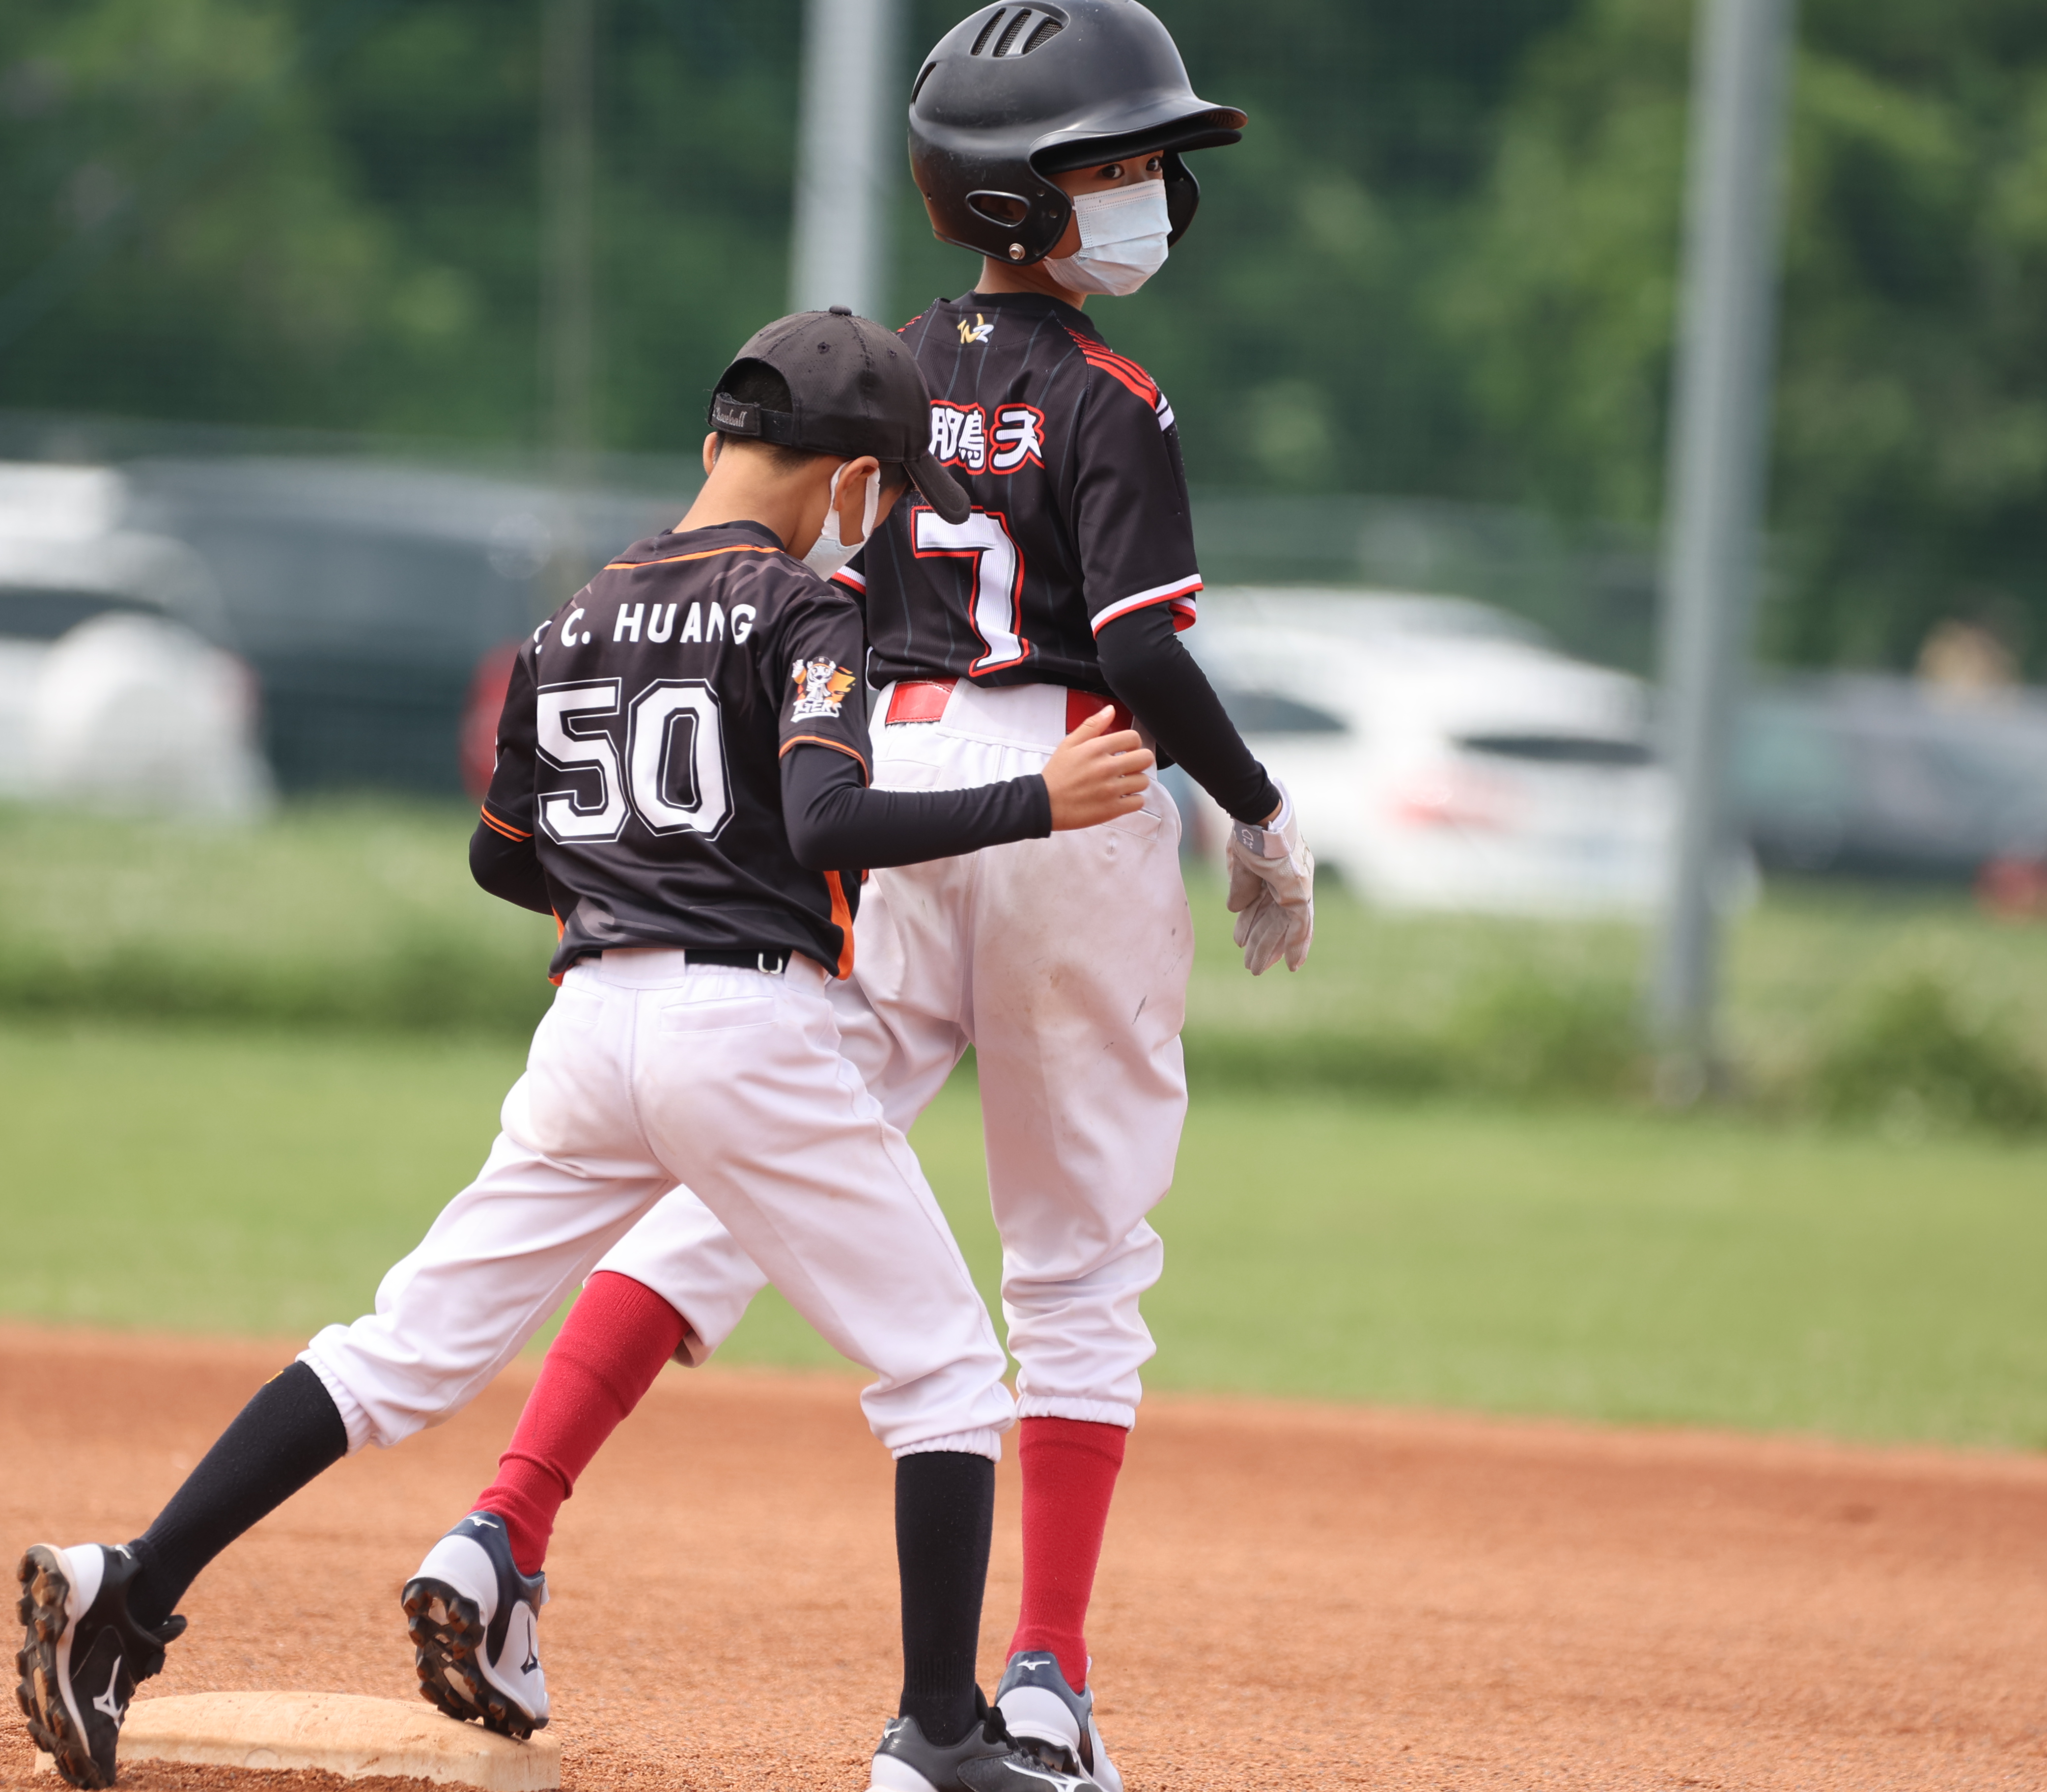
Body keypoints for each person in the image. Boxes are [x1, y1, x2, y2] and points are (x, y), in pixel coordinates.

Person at [13, 308, 1156, 1792]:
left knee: (402, 1350)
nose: (874, 525)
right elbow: (828, 822)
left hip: (587, 1028)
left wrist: (635, 889)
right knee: (944, 1375)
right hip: (743, 1030)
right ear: (848, 481)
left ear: (716, 442)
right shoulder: (804, 611)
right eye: (879, 494)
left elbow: (503, 855)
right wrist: (1035, 801)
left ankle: (132, 1587)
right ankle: (941, 1732)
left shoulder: (575, 615)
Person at [455, 7, 1316, 1792]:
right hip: (1068, 789)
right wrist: (1256, 809)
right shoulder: (1116, 396)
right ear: (1015, 193)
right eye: (1115, 160)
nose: (1152, 189)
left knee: (746, 1168)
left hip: (892, 789)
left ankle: (506, 1525)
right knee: (1078, 1256)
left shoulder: (890, 378)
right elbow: (1146, 656)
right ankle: (1044, 1687)